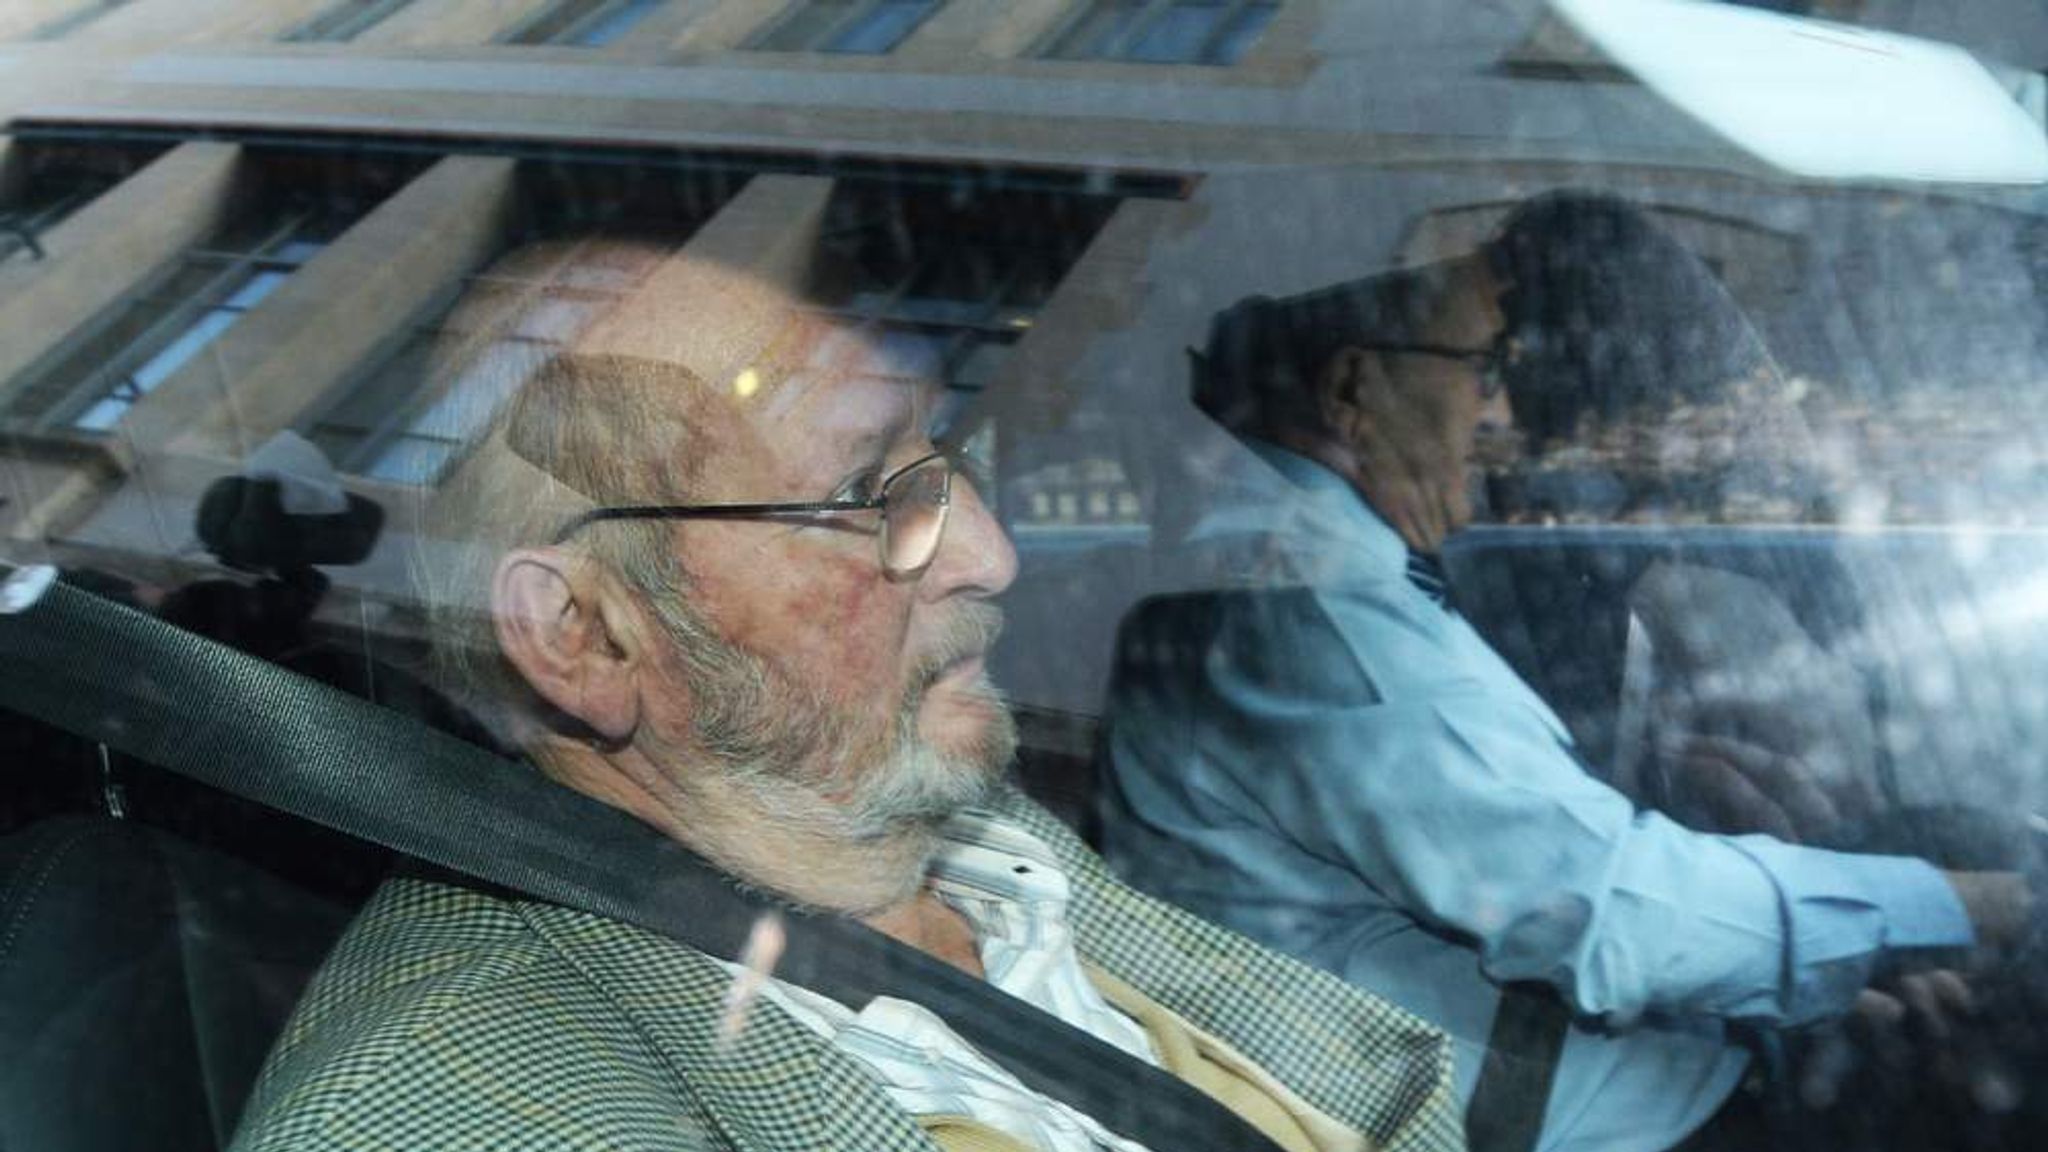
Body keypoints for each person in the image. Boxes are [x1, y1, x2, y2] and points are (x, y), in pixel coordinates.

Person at [227, 236, 1465, 1152]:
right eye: (861, 494)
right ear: (587, 636)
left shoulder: (957, 832)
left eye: (944, 460)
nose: (987, 553)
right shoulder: (444, 1113)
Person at [1096, 193, 2033, 1152]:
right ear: (1352, 390)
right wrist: (1977, 905)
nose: (1500, 408)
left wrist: (1809, 984)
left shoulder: (1302, 579)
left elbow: (1515, 863)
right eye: (1481, 368)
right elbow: (1611, 918)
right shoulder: (1310, 618)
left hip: (1546, 1055)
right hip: (1574, 1116)